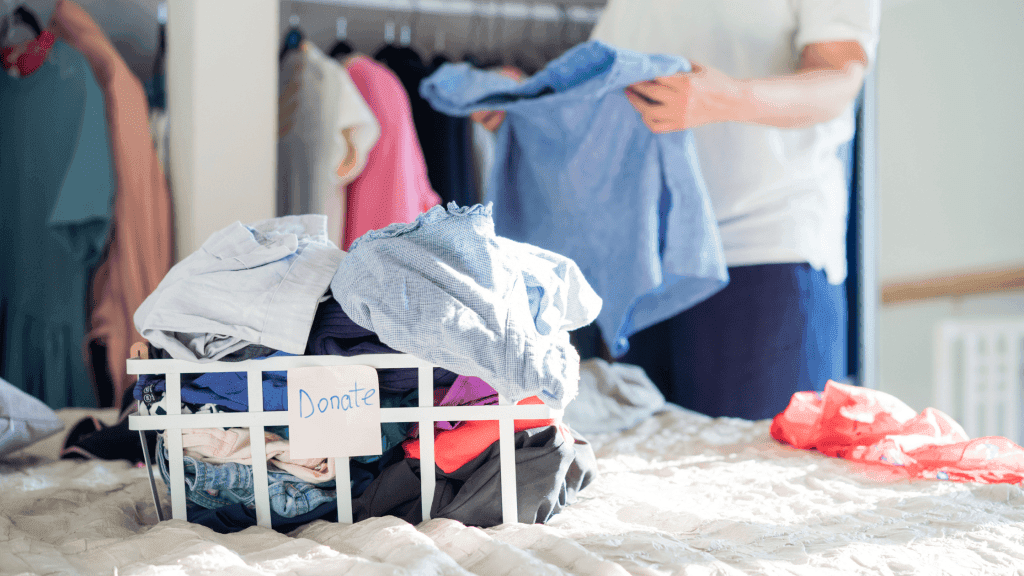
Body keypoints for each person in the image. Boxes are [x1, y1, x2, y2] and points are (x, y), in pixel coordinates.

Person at [475, 0, 880, 421]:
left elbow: (840, 78)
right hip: (639, 266)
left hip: (760, 252)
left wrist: (728, 98)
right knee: (638, 476)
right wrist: (533, 106)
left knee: (759, 474)